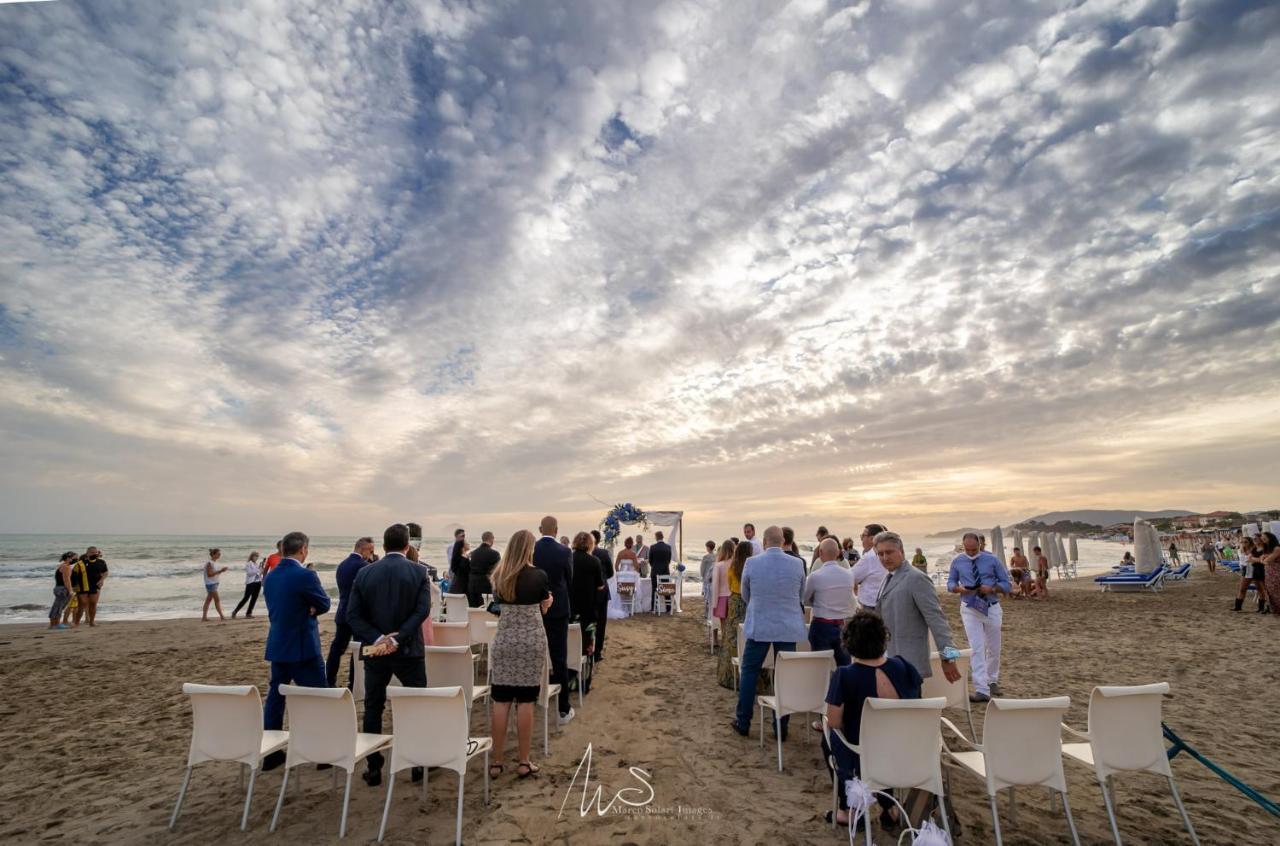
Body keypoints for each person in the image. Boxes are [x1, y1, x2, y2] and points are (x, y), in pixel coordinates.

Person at [346, 523, 431, 786]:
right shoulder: (419, 572)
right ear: (407, 545)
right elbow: (422, 611)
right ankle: (417, 763)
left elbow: (353, 615)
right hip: (408, 648)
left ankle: (374, 768)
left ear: (383, 546)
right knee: (417, 705)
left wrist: (378, 638)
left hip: (376, 649)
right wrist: (399, 636)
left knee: (373, 706)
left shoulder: (365, 573)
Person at [822, 612, 922, 828]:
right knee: (882, 740)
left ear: (849, 643)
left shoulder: (845, 675)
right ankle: (890, 807)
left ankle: (849, 809)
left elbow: (834, 721)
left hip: (864, 753)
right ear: (882, 639)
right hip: (907, 750)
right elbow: (917, 700)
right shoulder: (903, 666)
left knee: (830, 737)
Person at [261, 531, 330, 769]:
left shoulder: (270, 577)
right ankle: (322, 752)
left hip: (278, 643)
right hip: (303, 645)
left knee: (276, 697)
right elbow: (324, 603)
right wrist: (310, 609)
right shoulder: (305, 575)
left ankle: (271, 751)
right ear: (303, 550)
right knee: (319, 696)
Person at [730, 526, 807, 738]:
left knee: (749, 671)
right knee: (785, 676)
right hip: (787, 627)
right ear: (783, 541)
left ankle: (743, 721)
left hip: (761, 625)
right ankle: (781, 727)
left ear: (764, 542)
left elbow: (746, 594)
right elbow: (801, 593)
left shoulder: (752, 563)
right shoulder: (797, 563)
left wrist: (759, 605)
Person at [488, 529, 552, 779]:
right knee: (526, 701)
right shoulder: (539, 575)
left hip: (505, 640)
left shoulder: (499, 575)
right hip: (531, 641)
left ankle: (497, 761)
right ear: (528, 549)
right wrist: (547, 603)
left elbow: (498, 606)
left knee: (501, 700)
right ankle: (524, 761)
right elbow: (543, 603)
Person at [873, 531, 961, 687]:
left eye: (889, 552)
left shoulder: (916, 578)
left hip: (909, 662)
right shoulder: (887, 577)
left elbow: (938, 620)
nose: (885, 558)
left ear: (901, 552)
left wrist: (949, 658)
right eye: (880, 554)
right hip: (887, 659)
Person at [948, 532, 1011, 702]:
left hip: (991, 607)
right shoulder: (957, 561)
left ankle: (992, 680)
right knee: (976, 648)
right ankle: (981, 689)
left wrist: (991, 588)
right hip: (969, 607)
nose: (970, 552)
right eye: (967, 549)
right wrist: (959, 589)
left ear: (980, 545)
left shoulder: (992, 560)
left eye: (973, 549)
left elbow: (1007, 584)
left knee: (994, 647)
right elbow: (950, 584)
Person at [534, 515, 575, 726]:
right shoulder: (565, 551)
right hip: (558, 609)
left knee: (535, 654)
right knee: (559, 657)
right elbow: (569, 579)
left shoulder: (531, 549)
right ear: (556, 530)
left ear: (540, 529)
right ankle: (563, 709)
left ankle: (531, 699)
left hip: (535, 609)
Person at [325, 537, 374, 687]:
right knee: (358, 650)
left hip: (343, 610)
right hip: (359, 615)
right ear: (362, 549)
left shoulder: (342, 565)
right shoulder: (364, 566)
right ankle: (354, 683)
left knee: (337, 649)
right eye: (370, 551)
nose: (371, 554)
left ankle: (329, 679)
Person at [803, 538, 856, 665]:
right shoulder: (849, 575)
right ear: (838, 553)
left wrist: (817, 602)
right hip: (843, 625)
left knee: (820, 667)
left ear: (821, 553)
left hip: (821, 625)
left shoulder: (815, 576)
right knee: (845, 666)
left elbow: (805, 599)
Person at [570, 532, 604, 693]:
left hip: (570, 609)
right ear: (591, 544)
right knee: (588, 646)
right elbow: (600, 585)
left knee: (570, 645)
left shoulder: (568, 558)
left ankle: (570, 681)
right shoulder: (594, 561)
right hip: (588, 610)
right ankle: (584, 683)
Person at [716, 540, 752, 690]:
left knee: (731, 637)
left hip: (735, 601)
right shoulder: (750, 567)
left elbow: (730, 585)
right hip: (748, 602)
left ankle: (729, 675)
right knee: (748, 635)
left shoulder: (733, 567)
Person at [850, 523, 889, 612]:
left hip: (870, 607)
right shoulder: (889, 554)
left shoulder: (869, 558)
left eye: (863, 536)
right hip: (887, 605)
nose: (861, 539)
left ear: (872, 539)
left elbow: (851, 577)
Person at [590, 530, 613, 659]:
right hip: (602, 592)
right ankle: (597, 652)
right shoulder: (603, 553)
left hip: (587, 592)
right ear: (599, 540)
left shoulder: (583, 553)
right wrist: (603, 579)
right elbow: (611, 573)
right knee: (601, 621)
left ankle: (588, 649)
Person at [77, 546, 108, 626]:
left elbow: (105, 572)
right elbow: (74, 574)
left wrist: (102, 580)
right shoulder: (81, 562)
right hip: (83, 586)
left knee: (93, 603)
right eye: (92, 552)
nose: (94, 554)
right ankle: (76, 622)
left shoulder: (101, 562)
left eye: (95, 552)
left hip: (95, 586)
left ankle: (92, 622)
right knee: (82, 604)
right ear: (87, 553)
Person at [468, 531, 500, 608]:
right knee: (490, 610)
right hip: (487, 586)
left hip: (472, 585)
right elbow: (498, 571)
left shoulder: (474, 553)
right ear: (491, 539)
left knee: (475, 610)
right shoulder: (494, 554)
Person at [231, 552, 263, 618]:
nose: (256, 558)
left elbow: (259, 574)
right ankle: (235, 611)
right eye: (255, 556)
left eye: (257, 556)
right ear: (252, 556)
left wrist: (261, 571)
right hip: (250, 583)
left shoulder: (256, 564)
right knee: (246, 598)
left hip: (258, 582)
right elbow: (249, 573)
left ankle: (249, 613)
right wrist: (258, 570)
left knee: (254, 598)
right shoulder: (249, 564)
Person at [48, 551, 76, 630]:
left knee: (56, 606)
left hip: (58, 588)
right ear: (68, 558)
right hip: (63, 589)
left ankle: (53, 624)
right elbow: (66, 580)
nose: (74, 560)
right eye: (73, 558)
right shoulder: (66, 567)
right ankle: (56, 624)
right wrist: (70, 591)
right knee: (59, 607)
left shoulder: (61, 566)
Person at [201, 548, 230, 622]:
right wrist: (221, 570)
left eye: (219, 554)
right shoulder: (209, 563)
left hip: (213, 583)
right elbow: (209, 574)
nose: (219, 555)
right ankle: (222, 616)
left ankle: (204, 617)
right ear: (213, 555)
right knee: (217, 600)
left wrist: (221, 571)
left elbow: (214, 574)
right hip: (211, 584)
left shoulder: (213, 562)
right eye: (218, 554)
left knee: (208, 600)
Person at [648, 530, 673, 612]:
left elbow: (650, 560)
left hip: (655, 571)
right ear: (662, 537)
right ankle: (668, 608)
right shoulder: (668, 547)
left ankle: (653, 608)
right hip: (665, 571)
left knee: (654, 589)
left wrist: (654, 566)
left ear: (656, 537)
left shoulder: (653, 547)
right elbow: (669, 560)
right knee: (666, 589)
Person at [1258, 531, 1280, 616]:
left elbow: (1267, 560)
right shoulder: (1267, 548)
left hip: (1276, 573)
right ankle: (1275, 609)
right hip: (1269, 573)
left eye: (1264, 537)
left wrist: (1263, 560)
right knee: (1270, 591)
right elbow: (1263, 560)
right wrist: (1263, 560)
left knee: (1276, 591)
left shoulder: (1277, 548)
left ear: (1270, 537)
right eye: (1262, 537)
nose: (1262, 538)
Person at [449, 528, 470, 596]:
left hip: (455, 588)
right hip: (462, 590)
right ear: (462, 547)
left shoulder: (460, 559)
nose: (468, 543)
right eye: (466, 543)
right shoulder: (464, 561)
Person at [700, 540, 717, 617]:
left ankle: (707, 613)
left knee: (707, 595)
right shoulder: (716, 556)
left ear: (708, 547)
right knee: (712, 595)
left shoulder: (706, 557)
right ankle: (710, 612)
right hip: (714, 577)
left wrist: (702, 576)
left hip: (707, 577)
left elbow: (702, 569)